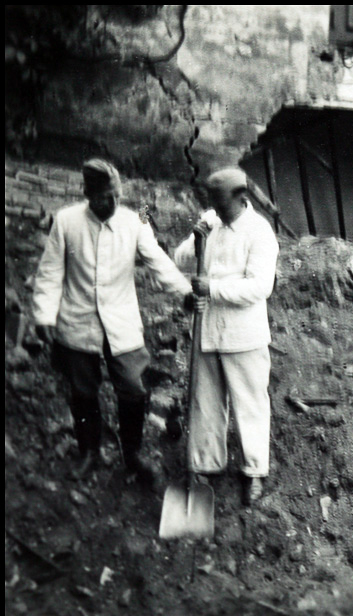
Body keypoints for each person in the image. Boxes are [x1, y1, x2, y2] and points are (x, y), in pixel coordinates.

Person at [32, 158, 194, 485]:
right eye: (106, 196)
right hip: (78, 321)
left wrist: (185, 290)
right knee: (83, 391)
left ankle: (132, 455)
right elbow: (50, 273)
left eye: (117, 196)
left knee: (133, 387)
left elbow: (158, 262)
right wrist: (44, 315)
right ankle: (89, 452)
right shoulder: (66, 222)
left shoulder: (133, 222)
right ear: (88, 194)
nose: (113, 203)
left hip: (121, 323)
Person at [174, 167, 279, 506]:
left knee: (249, 404)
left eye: (221, 205)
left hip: (244, 334)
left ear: (240, 198)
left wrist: (214, 288)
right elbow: (180, 258)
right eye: (213, 205)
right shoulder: (210, 222)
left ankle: (254, 472)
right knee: (206, 402)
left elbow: (261, 287)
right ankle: (205, 465)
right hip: (206, 329)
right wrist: (196, 239)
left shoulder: (259, 232)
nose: (216, 210)